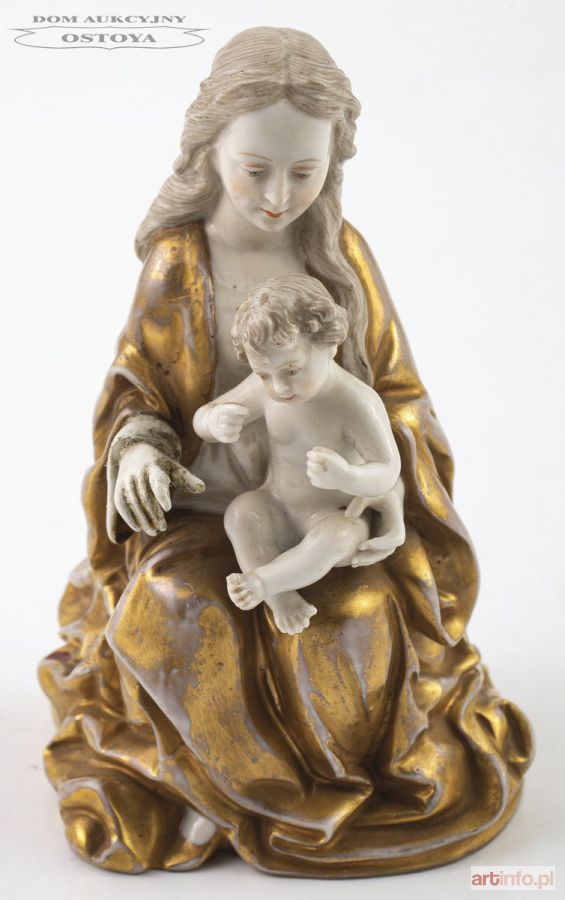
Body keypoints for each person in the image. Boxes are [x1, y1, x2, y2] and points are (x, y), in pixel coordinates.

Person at [39, 26, 533, 877]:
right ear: (209, 151)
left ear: (332, 164)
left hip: (332, 506)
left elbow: (398, 395)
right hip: (207, 508)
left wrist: (377, 494)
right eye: (255, 169)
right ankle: (211, 788)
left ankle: (328, 788)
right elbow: (137, 389)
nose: (277, 196)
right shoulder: (179, 262)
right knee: (177, 606)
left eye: (303, 172)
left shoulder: (338, 257)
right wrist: (141, 452)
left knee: (355, 617)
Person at [193, 273, 402, 634]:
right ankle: (283, 599)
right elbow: (204, 416)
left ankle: (263, 583)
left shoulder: (355, 403)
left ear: (328, 345)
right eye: (263, 374)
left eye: (291, 370)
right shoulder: (267, 389)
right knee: (242, 513)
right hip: (279, 505)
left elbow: (388, 469)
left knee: (335, 539)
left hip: (335, 514)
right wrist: (214, 422)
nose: (279, 387)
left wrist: (348, 476)